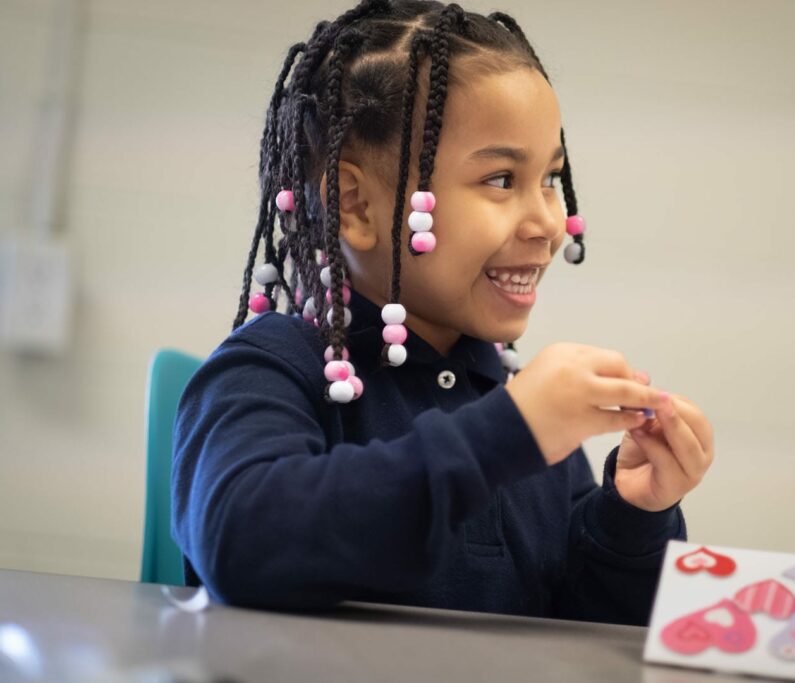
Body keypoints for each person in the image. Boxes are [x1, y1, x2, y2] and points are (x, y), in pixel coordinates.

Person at [171, 0, 715, 626]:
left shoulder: (520, 407)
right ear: (356, 206)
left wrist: (632, 515)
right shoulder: (269, 369)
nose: (548, 223)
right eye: (502, 179)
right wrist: (509, 433)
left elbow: (580, 630)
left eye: (551, 179)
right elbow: (243, 545)